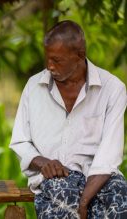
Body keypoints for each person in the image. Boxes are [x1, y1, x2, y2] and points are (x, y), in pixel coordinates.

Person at [10, 20, 127, 218]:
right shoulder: (33, 87)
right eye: (47, 59)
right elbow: (20, 141)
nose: (50, 66)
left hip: (99, 177)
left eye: (57, 60)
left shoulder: (113, 89)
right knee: (61, 195)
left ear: (80, 55)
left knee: (121, 197)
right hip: (56, 178)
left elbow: (109, 155)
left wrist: (84, 202)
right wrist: (43, 163)